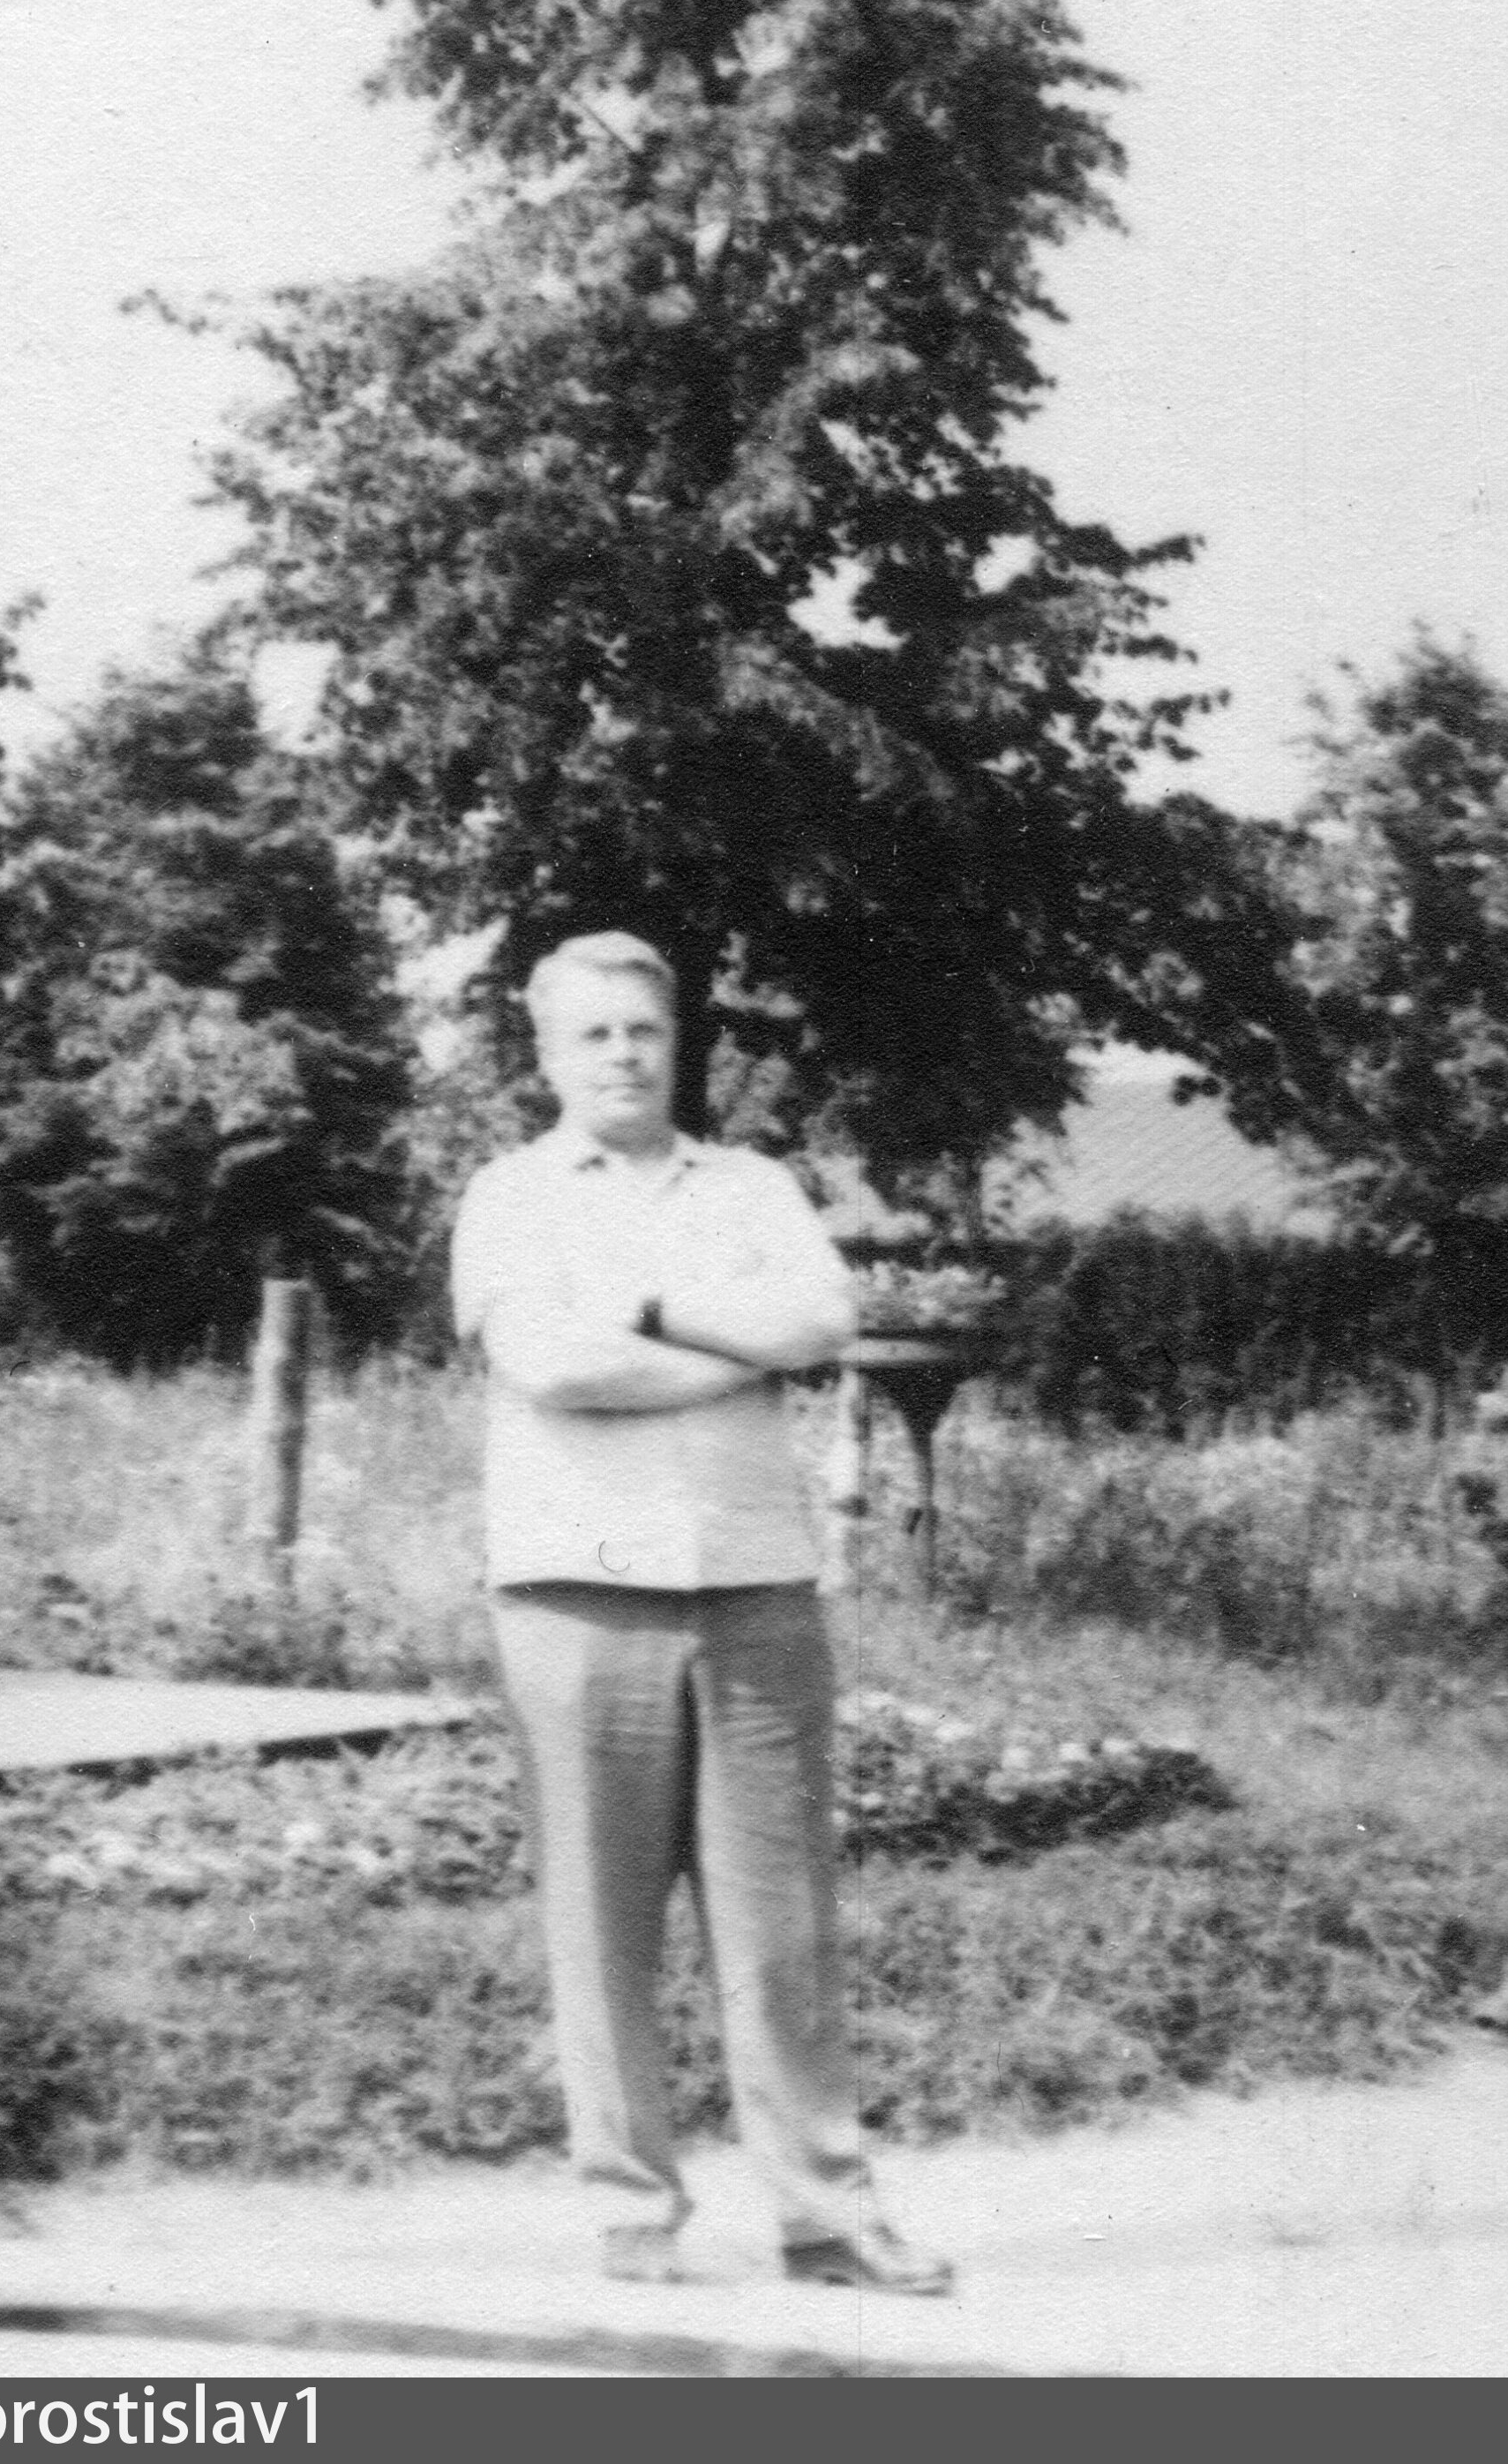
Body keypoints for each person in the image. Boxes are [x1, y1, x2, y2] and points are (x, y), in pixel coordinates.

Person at [450, 929, 953, 2296]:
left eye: (644, 1029)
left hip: (752, 1582)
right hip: (575, 1588)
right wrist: (728, 1355)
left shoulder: (752, 1185)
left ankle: (825, 2215)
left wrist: (653, 1305)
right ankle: (634, 2212)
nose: (622, 1054)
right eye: (594, 1032)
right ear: (546, 1052)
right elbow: (551, 1361)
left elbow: (822, 1322)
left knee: (781, 1928)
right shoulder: (508, 1194)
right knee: (599, 1923)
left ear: (680, 1045)